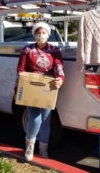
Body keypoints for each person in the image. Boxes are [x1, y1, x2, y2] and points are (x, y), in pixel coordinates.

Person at [16, 22, 65, 161]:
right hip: (32, 87)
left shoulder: (55, 50)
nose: (41, 35)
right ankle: (30, 147)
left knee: (46, 119)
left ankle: (43, 149)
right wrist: (24, 81)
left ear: (48, 34)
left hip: (48, 88)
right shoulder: (27, 50)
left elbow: (59, 68)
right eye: (38, 32)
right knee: (34, 118)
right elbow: (21, 70)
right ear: (34, 34)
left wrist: (60, 79)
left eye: (44, 32)